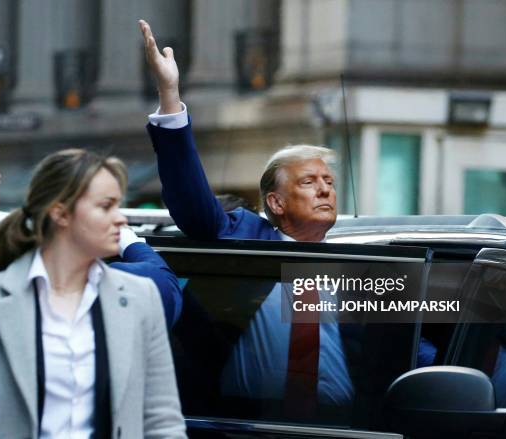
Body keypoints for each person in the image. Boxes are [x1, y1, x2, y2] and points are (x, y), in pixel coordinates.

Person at [139, 19, 353, 415]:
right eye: (309, 181)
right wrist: (170, 95)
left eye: (328, 181)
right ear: (275, 203)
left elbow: (403, 346)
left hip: (346, 426)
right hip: (240, 423)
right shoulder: (246, 236)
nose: (325, 189)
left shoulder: (359, 266)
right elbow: (193, 206)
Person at [0, 149, 186, 438]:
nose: (121, 220)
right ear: (60, 213)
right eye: (106, 206)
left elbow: (163, 423)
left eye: (119, 206)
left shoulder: (140, 298)